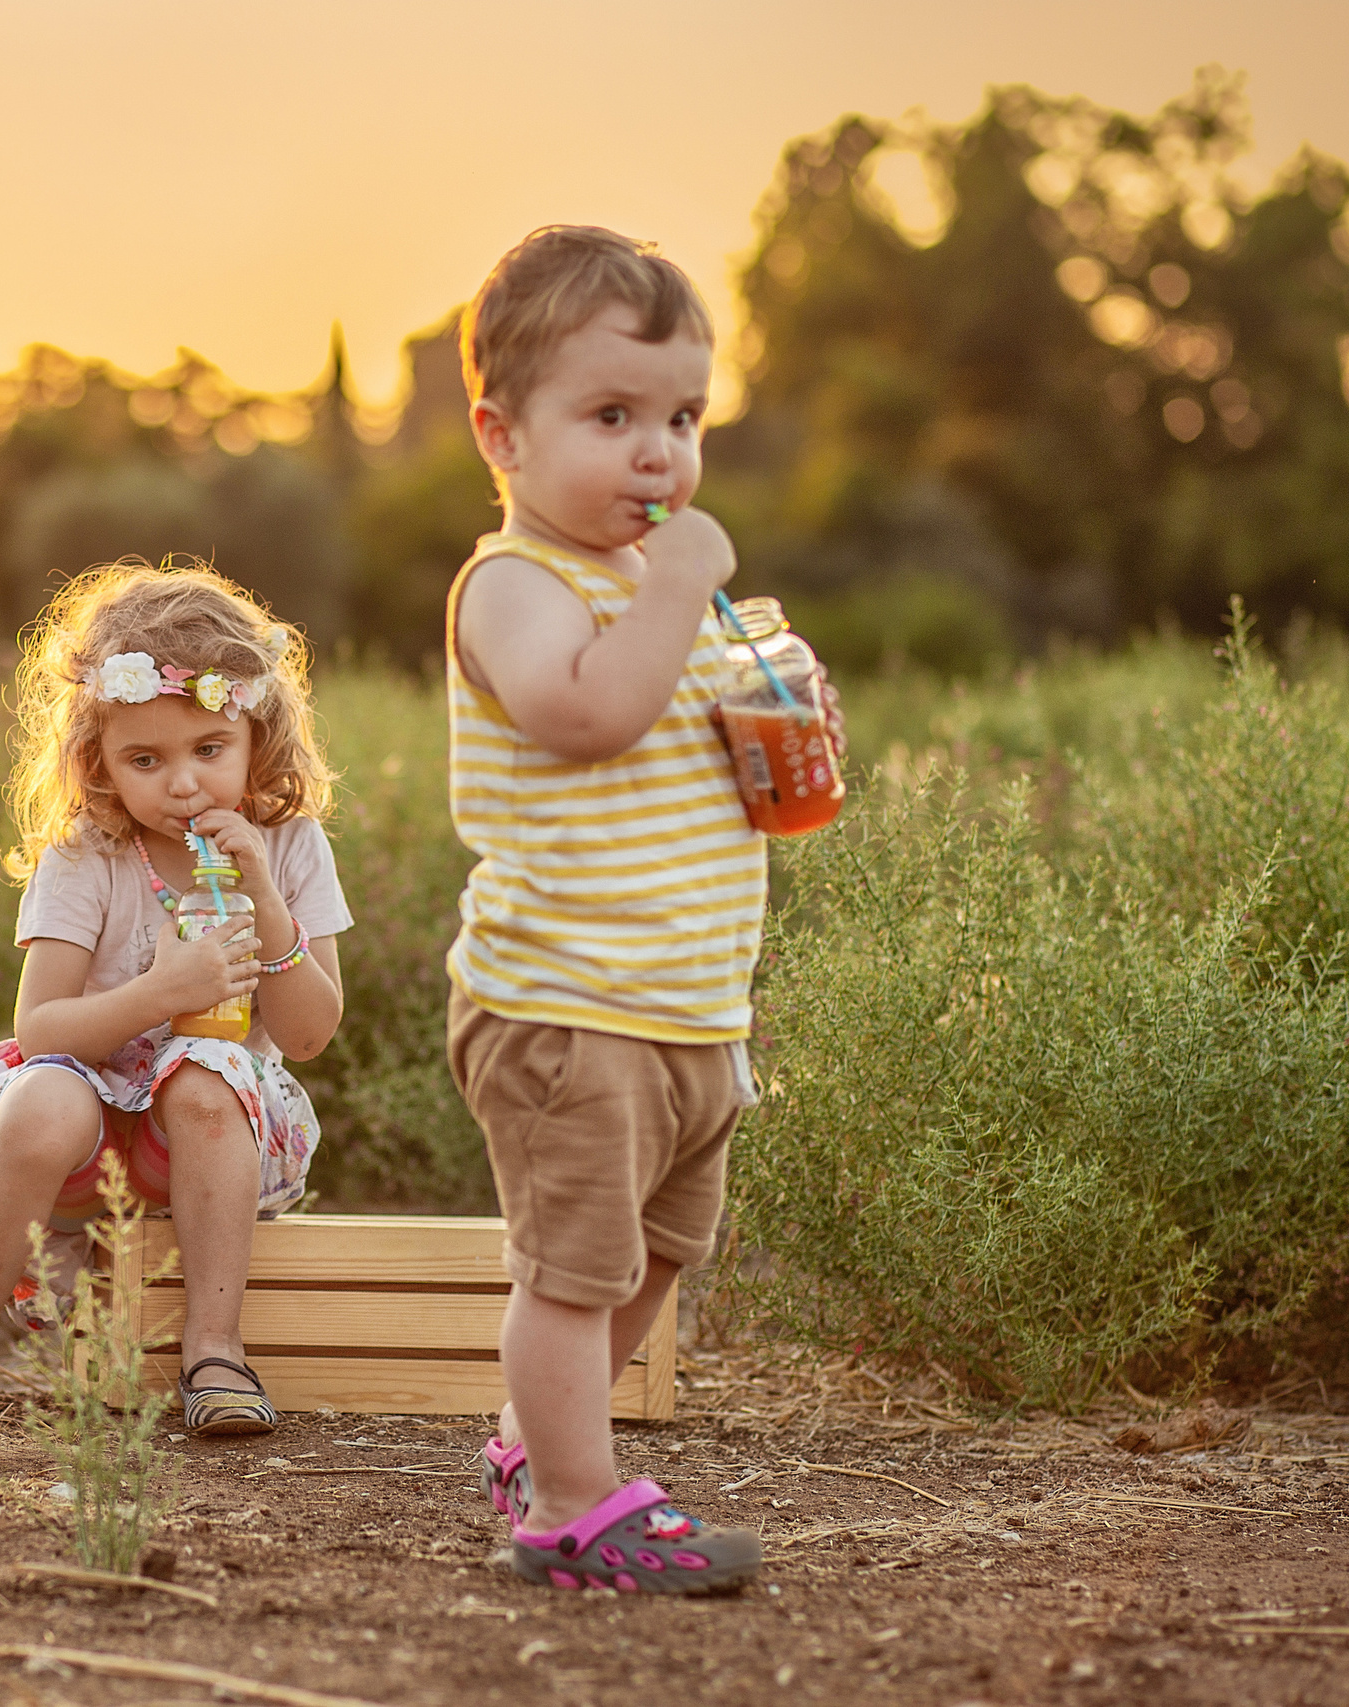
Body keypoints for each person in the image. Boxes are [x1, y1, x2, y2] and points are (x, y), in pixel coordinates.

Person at [445, 226, 837, 1593]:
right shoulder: (514, 586)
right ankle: (570, 1508)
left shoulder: (654, 596)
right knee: (571, 1272)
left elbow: (689, 757)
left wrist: (785, 728)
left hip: (686, 1004)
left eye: (682, 418)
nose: (658, 454)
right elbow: (586, 712)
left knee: (654, 1259)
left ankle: (534, 1442)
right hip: (567, 1005)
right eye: (611, 416)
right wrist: (680, 587)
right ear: (502, 435)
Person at [0, 559, 352, 1439]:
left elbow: (307, 1036)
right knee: (43, 1089)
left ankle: (214, 1353)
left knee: (207, 1070)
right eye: (145, 759)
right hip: (88, 1145)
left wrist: (266, 897)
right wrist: (161, 991)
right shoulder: (87, 853)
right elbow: (40, 1028)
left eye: (209, 750)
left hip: (208, 1145)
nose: (182, 784)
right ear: (98, 761)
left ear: (256, 734)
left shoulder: (291, 845)